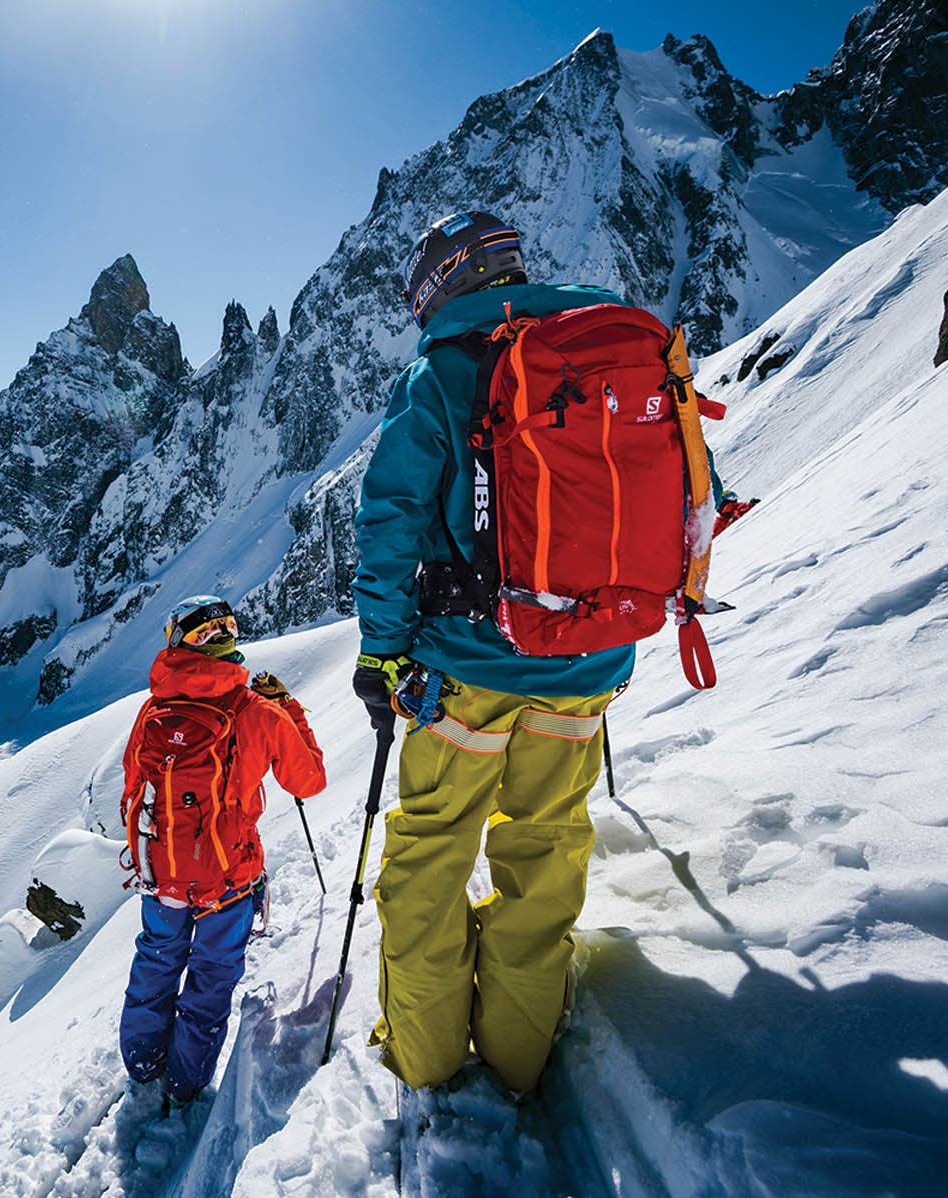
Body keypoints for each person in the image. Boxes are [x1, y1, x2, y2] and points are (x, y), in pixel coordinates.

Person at [351, 211, 739, 1096]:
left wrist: (380, 657)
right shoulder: (620, 356)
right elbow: (695, 490)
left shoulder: (443, 372)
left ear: (441, 284)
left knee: (430, 858)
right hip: (588, 669)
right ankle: (520, 1056)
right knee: (544, 854)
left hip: (468, 677)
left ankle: (426, 1057)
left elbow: (388, 527)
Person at [118, 594, 326, 1109]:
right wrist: (288, 709)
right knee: (211, 979)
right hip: (227, 881)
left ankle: (143, 1061)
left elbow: (132, 787)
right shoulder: (255, 711)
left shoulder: (153, 711)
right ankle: (185, 1085)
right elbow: (309, 780)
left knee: (157, 960)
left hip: (161, 876)